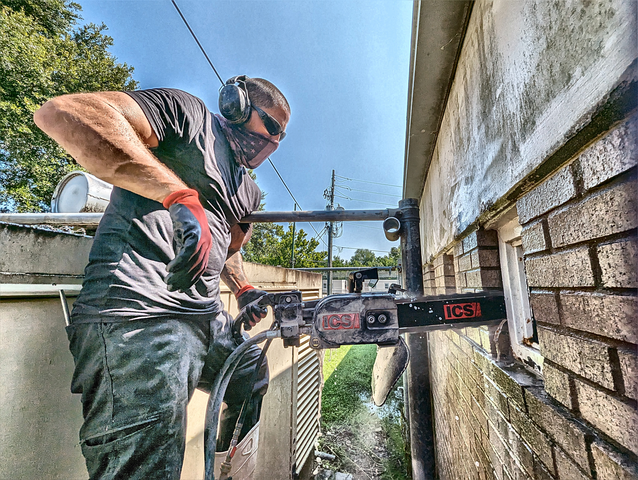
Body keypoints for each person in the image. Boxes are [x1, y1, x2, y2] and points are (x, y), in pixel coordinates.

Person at [34, 76, 290, 479]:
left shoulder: (248, 191)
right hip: (139, 312)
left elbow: (229, 249)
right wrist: (177, 194)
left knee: (251, 372)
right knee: (148, 467)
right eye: (271, 127)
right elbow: (67, 113)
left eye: (281, 137)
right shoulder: (189, 117)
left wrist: (243, 289)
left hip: (205, 317)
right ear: (236, 106)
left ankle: (230, 471)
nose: (274, 143)